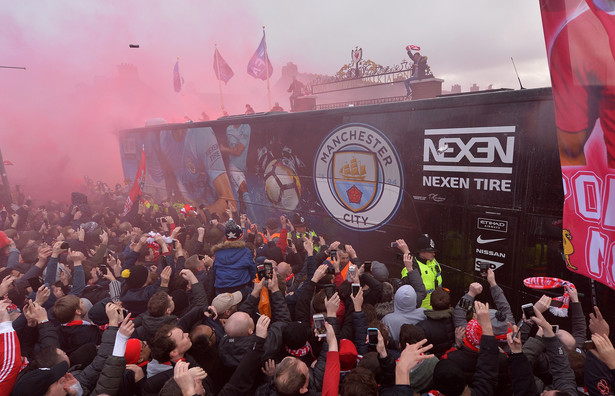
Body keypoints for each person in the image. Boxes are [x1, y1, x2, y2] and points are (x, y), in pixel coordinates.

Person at [398, 235, 442, 309]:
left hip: (435, 307)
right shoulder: (410, 268)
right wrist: (406, 252)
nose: (434, 254)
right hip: (420, 310)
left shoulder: (433, 262)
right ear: (421, 252)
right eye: (430, 251)